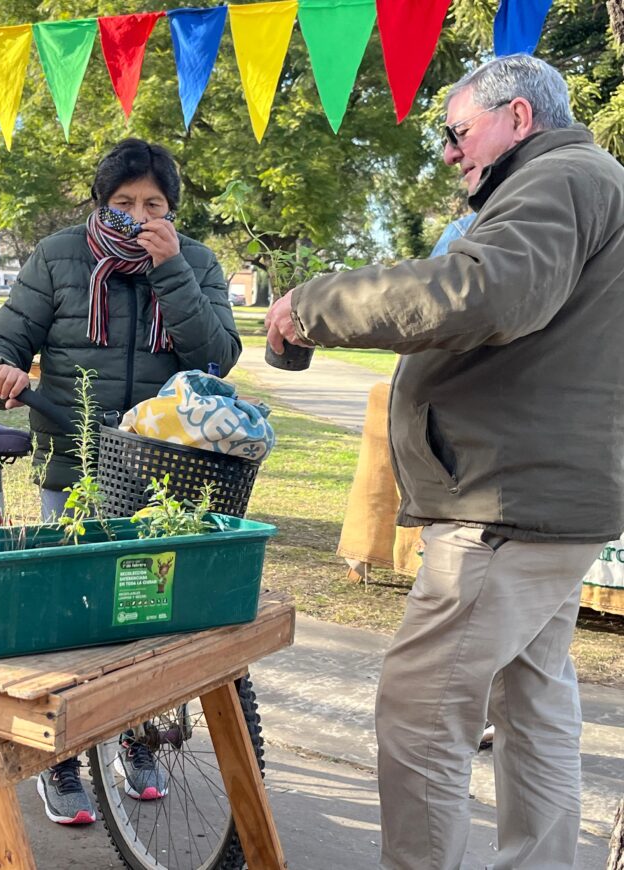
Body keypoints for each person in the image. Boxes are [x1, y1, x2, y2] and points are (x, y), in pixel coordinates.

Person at [266, 54, 624, 869]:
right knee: (533, 706)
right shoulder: (591, 180)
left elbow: (478, 293)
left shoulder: (557, 179)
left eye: (459, 132)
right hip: (547, 504)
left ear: (518, 118)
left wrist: (315, 303)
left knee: (421, 714)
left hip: (503, 506)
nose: (451, 152)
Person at [0, 138, 241, 825]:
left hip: (164, 471)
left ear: (171, 210)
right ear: (101, 204)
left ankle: (136, 737)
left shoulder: (196, 262)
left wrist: (171, 271)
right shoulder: (59, 256)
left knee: (147, 616)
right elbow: (3, 339)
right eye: (124, 202)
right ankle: (57, 755)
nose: (138, 216)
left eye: (153, 204)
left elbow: (217, 358)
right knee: (68, 617)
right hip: (72, 457)